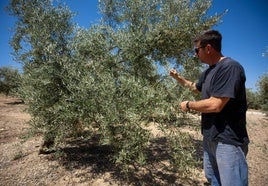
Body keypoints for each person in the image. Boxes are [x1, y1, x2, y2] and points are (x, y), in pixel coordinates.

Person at [169, 30, 249, 186]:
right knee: (213, 179)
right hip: (210, 137)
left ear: (208, 48)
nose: (195, 54)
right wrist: (178, 77)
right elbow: (194, 88)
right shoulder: (207, 72)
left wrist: (188, 105)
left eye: (196, 50)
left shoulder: (229, 67)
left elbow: (215, 104)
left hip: (228, 140)